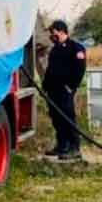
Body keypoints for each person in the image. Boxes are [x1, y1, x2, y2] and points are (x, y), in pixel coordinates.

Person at [42, 20, 86, 160]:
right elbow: (50, 70)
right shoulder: (55, 49)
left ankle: (74, 148)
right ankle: (62, 146)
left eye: (53, 32)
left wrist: (70, 87)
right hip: (52, 90)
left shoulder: (76, 48)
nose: (51, 35)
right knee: (56, 118)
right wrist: (45, 86)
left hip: (65, 90)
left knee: (67, 117)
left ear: (61, 31)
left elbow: (80, 70)